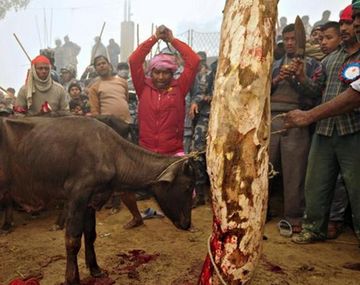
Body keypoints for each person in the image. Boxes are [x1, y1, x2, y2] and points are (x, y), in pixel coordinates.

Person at [286, 5, 360, 244]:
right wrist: (301, 77)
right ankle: (313, 228)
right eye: (345, 24)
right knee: (315, 183)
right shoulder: (330, 60)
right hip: (325, 130)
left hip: (353, 130)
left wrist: (309, 116)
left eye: (350, 23)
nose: (348, 28)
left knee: (357, 188)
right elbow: (315, 90)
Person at [127, 25, 200, 227]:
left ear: (171, 73)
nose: (160, 77)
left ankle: (183, 219)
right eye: (157, 72)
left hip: (171, 152)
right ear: (151, 72)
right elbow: (134, 61)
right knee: (125, 187)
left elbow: (194, 61)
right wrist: (153, 39)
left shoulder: (180, 87)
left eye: (165, 73)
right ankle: (136, 217)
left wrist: (172, 40)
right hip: (146, 154)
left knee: (188, 192)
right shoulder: (143, 87)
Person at [269, 23, 321, 234]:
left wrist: (300, 77)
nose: (290, 43)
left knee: (295, 172)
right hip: (272, 120)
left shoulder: (313, 65)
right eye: (287, 39)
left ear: (302, 41)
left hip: (297, 120)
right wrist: (278, 78)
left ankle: (293, 217)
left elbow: (316, 93)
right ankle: (260, 212)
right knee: (265, 169)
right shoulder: (273, 65)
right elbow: (260, 91)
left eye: (294, 39)